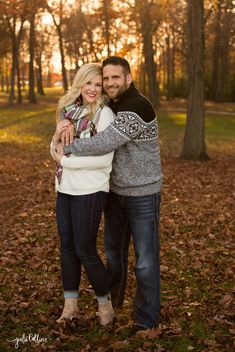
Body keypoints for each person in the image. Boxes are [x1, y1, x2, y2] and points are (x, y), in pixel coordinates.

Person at [57, 56, 163, 330]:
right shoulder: (109, 103)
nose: (109, 83)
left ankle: (145, 321)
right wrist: (62, 125)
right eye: (106, 78)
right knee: (114, 256)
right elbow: (74, 108)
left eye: (116, 77)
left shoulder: (137, 106)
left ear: (128, 78)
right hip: (114, 192)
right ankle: (112, 307)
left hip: (142, 194)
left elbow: (105, 142)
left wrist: (65, 150)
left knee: (146, 261)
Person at [50, 63, 115, 326]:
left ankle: (106, 308)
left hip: (90, 190)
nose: (92, 88)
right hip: (64, 188)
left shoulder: (105, 114)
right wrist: (58, 132)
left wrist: (64, 162)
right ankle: (70, 308)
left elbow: (104, 160)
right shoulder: (69, 112)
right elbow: (55, 147)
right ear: (80, 83)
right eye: (88, 83)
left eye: (98, 84)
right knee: (67, 249)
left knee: (86, 250)